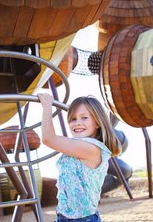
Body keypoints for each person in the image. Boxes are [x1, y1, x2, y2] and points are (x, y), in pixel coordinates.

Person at [38, 93, 121, 222]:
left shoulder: (91, 148)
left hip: (83, 219)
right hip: (63, 216)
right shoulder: (78, 146)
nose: (77, 123)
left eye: (84, 118)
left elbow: (48, 139)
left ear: (97, 122)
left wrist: (47, 106)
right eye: (73, 119)